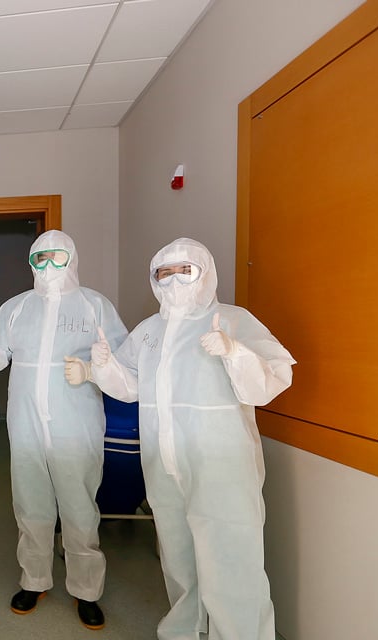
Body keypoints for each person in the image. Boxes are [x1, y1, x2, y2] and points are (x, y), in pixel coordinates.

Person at [82, 237, 295, 640]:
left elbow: (272, 381)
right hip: (164, 463)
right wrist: (105, 367)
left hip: (220, 465)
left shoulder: (233, 320)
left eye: (186, 270)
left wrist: (235, 352)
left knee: (231, 558)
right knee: (178, 554)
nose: (175, 280)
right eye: (165, 273)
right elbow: (129, 386)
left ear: (206, 273)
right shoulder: (149, 331)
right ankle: (184, 629)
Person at [0, 229, 128, 630]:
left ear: (72, 257)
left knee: (79, 509)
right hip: (26, 424)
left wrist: (93, 370)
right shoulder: (17, 307)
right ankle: (34, 580)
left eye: (57, 256)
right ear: (31, 263)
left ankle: (86, 590)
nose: (49, 265)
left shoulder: (95, 306)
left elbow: (124, 364)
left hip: (77, 425)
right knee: (31, 504)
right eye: (40, 258)